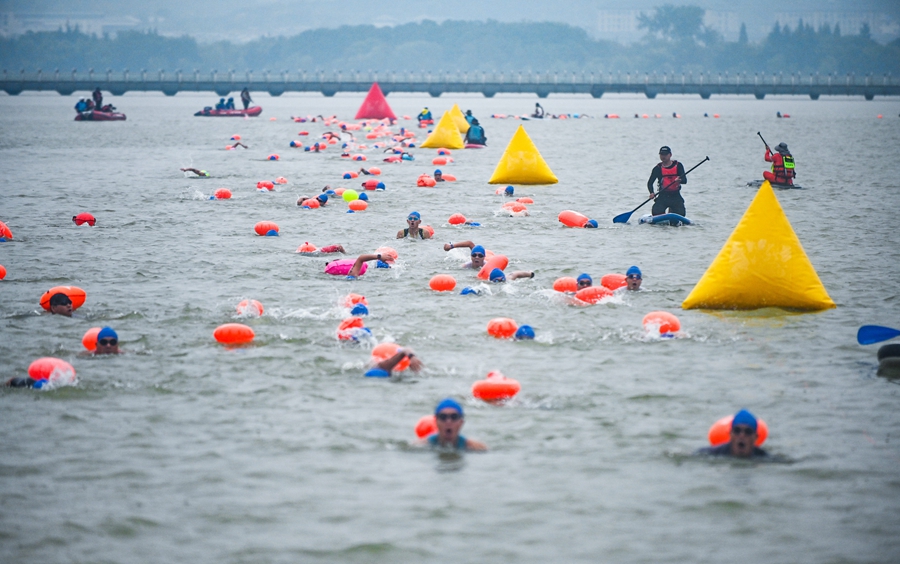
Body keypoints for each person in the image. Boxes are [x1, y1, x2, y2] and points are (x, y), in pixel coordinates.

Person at [696, 409, 768, 459]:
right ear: (730, 434)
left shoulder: (763, 457)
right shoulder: (711, 454)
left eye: (748, 431)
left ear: (755, 437)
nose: (742, 435)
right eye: (737, 430)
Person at [423, 398, 487, 451]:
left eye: (454, 417)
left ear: (461, 422)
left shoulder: (476, 448)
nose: (448, 421)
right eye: (443, 417)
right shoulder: (422, 445)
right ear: (436, 421)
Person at [647, 146, 687, 216]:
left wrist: (679, 180)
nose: (663, 156)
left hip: (675, 196)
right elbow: (650, 183)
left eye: (665, 154)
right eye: (662, 154)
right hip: (663, 196)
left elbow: (685, 180)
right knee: (656, 212)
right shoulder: (657, 168)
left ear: (670, 155)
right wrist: (651, 193)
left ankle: (672, 212)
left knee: (681, 213)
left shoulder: (678, 166)